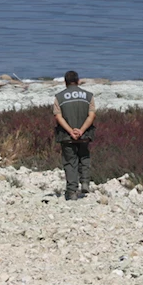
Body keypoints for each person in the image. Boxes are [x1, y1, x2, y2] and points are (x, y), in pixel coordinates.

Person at [54, 71, 96, 200]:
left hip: (67, 136)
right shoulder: (89, 96)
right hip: (85, 135)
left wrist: (71, 131)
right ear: (78, 81)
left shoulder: (59, 97)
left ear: (65, 82)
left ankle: (72, 191)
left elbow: (58, 116)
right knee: (84, 157)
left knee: (70, 162)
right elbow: (92, 115)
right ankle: (85, 182)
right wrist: (82, 130)